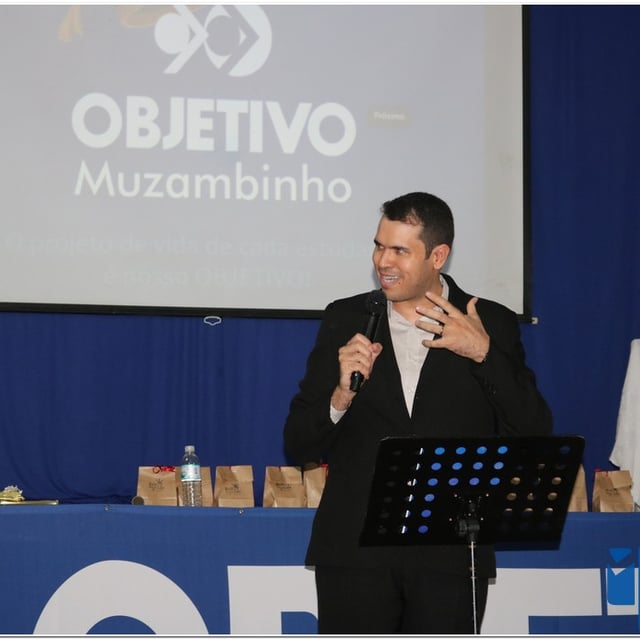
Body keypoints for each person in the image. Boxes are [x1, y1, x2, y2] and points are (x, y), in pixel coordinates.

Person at [283, 191, 553, 634]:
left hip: (450, 554)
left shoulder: (489, 322)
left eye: (400, 251)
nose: (383, 262)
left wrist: (483, 354)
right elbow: (298, 443)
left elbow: (534, 430)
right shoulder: (345, 318)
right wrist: (341, 396)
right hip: (354, 554)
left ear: (438, 256)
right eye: (379, 246)